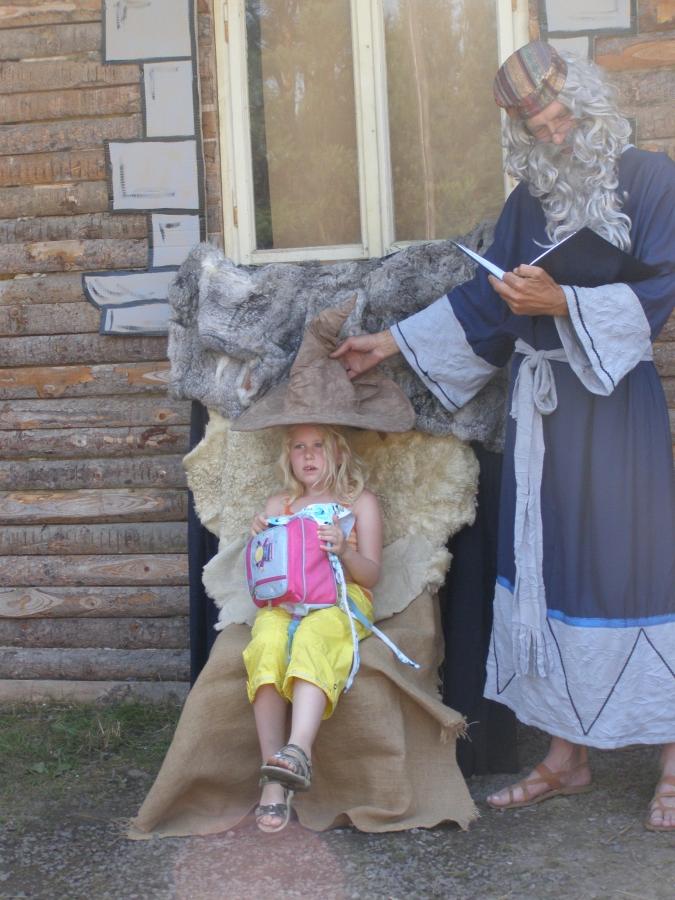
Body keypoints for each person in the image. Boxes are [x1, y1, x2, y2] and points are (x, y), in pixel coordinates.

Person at [332, 42, 675, 832]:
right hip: (542, 411)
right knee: (546, 564)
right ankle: (564, 757)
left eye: (561, 120)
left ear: (588, 105)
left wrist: (564, 303)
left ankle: (670, 758)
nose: (554, 136)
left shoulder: (652, 179)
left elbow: (661, 286)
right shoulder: (528, 201)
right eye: (538, 128)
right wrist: (386, 344)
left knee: (638, 563)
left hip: (614, 406)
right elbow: (487, 304)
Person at [245, 422, 382, 832]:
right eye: (299, 447)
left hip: (340, 597)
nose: (308, 455)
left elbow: (372, 575)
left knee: (314, 636)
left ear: (339, 452)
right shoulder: (279, 504)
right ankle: (273, 779)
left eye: (319, 446)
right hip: (286, 599)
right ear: (287, 456)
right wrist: (259, 540)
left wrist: (344, 550)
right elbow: (266, 571)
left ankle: (298, 751)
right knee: (266, 641)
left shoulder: (358, 503)